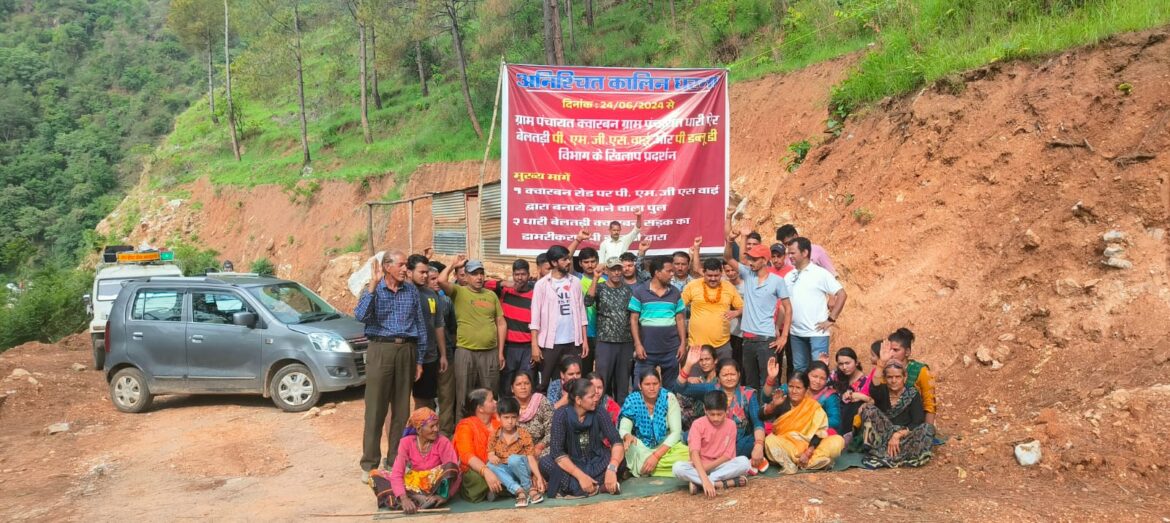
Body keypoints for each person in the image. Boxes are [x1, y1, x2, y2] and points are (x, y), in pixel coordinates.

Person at [355, 251, 430, 476]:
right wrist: (372, 286)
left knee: (401, 410)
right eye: (401, 265)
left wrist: (419, 360)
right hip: (381, 349)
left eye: (407, 265)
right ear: (387, 267)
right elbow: (360, 316)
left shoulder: (411, 291)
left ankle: (395, 461)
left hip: (407, 349)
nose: (405, 269)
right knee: (375, 409)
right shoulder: (374, 290)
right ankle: (369, 464)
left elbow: (420, 325)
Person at [724, 227, 791, 390]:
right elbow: (727, 257)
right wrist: (730, 240)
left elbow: (788, 308)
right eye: (749, 258)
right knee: (750, 384)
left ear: (764, 259)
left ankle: (769, 414)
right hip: (747, 340)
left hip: (766, 340)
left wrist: (783, 336)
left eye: (754, 259)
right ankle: (753, 414)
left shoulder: (777, 281)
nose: (750, 262)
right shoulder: (748, 274)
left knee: (769, 382)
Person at [674, 349, 766, 465]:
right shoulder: (711, 388)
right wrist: (688, 365)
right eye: (725, 375)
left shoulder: (748, 394)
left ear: (739, 375)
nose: (729, 378)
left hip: (737, 442)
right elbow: (680, 388)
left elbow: (758, 422)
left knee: (755, 442)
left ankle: (712, 460)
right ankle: (719, 460)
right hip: (711, 439)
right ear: (718, 377)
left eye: (732, 374)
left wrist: (758, 446)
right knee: (689, 436)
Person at [539, 378, 625, 497]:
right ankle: (598, 486)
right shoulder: (561, 415)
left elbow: (616, 440)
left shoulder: (599, 411)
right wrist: (581, 476)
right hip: (572, 465)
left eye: (596, 395)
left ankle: (581, 489)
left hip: (597, 461)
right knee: (545, 463)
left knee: (620, 459)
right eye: (591, 397)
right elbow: (557, 453)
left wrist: (612, 468)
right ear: (579, 400)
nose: (596, 398)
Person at [530, 245, 589, 392]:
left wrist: (584, 340)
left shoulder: (575, 282)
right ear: (554, 263)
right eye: (564, 260)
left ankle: (568, 413)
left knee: (572, 383)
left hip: (572, 342)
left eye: (568, 258)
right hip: (549, 343)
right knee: (544, 383)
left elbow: (582, 312)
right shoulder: (542, 285)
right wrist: (534, 345)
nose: (568, 262)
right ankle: (544, 413)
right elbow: (535, 316)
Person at [761, 370, 845, 474]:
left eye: (798, 388)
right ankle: (809, 463)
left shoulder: (813, 407)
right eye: (791, 386)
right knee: (770, 440)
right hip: (787, 445)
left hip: (810, 447)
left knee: (838, 441)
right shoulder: (782, 401)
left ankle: (806, 461)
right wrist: (773, 405)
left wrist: (808, 452)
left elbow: (819, 433)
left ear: (806, 390)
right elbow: (760, 416)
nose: (794, 391)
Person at [784, 237, 847, 372]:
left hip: (817, 333)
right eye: (788, 253)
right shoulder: (789, 276)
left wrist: (831, 319)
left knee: (819, 370)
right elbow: (785, 304)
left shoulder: (820, 273)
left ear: (805, 253)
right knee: (800, 370)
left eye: (793, 253)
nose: (789, 257)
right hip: (796, 333)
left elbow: (841, 294)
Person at [856, 361, 935, 468]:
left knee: (928, 428)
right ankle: (884, 453)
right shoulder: (882, 391)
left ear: (905, 377)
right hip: (882, 437)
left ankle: (888, 455)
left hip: (903, 437)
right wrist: (880, 365)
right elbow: (873, 389)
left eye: (898, 377)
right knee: (868, 409)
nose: (894, 381)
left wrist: (898, 435)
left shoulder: (912, 393)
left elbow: (917, 422)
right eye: (889, 377)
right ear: (885, 378)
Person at [673, 390, 752, 496]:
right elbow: (694, 453)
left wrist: (708, 470)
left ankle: (703, 482)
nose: (716, 418)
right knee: (677, 468)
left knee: (745, 462)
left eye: (719, 414)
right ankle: (720, 483)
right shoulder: (697, 424)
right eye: (712, 414)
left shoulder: (731, 425)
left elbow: (728, 455)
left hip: (720, 466)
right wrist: (704, 474)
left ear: (726, 410)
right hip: (699, 466)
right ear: (705, 410)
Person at [386, 408, 460, 514]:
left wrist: (445, 496)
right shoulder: (406, 442)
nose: (436, 429)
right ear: (419, 429)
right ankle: (416, 498)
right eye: (432, 426)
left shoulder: (443, 442)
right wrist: (403, 498)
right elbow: (397, 473)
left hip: (436, 485)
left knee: (452, 466)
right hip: (415, 485)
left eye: (437, 425)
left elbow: (455, 473)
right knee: (376, 475)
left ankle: (425, 499)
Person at [618, 369, 690, 478]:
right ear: (640, 385)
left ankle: (647, 468)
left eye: (655, 384)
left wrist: (656, 456)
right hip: (642, 448)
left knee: (691, 455)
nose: (652, 388)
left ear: (660, 384)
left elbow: (676, 432)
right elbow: (624, 427)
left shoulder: (668, 398)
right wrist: (627, 435)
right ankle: (682, 469)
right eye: (647, 384)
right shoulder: (632, 400)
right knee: (631, 449)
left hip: (667, 446)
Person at [629, 257, 687, 386]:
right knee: (640, 388)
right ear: (657, 273)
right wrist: (637, 345)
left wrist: (683, 343)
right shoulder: (639, 291)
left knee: (670, 390)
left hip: (671, 350)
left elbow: (680, 319)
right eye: (669, 271)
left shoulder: (675, 292)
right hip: (646, 351)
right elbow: (633, 320)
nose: (673, 274)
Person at [587, 257, 635, 404]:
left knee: (622, 384)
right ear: (607, 271)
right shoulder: (600, 287)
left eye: (618, 269)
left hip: (625, 342)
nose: (616, 272)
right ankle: (600, 415)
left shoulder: (628, 290)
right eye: (613, 269)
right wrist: (595, 278)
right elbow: (588, 301)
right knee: (602, 382)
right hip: (605, 342)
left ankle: (622, 420)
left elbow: (633, 315)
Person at [681, 254, 744, 367]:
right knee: (694, 382)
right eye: (709, 275)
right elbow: (679, 306)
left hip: (722, 345)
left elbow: (742, 307)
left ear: (721, 273)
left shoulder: (728, 286)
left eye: (716, 275)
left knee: (724, 380)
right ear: (703, 273)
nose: (713, 279)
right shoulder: (692, 286)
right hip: (697, 346)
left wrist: (736, 312)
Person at [486, 260, 534, 396]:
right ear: (512, 275)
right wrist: (503, 283)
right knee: (506, 383)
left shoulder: (535, 293)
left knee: (526, 382)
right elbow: (483, 285)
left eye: (523, 274)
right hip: (508, 346)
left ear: (529, 275)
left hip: (528, 346)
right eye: (516, 274)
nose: (520, 278)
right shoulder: (505, 291)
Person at [487, 397, 546, 507]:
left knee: (513, 459)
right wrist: (492, 456)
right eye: (506, 417)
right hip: (507, 472)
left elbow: (531, 458)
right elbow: (490, 453)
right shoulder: (494, 435)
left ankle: (529, 488)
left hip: (522, 469)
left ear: (518, 417)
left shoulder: (523, 434)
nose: (510, 421)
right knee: (490, 465)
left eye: (513, 417)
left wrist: (538, 477)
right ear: (498, 417)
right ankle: (518, 490)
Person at [407, 255, 447, 411]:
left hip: (428, 357)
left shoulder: (431, 295)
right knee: (399, 403)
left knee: (425, 401)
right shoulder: (401, 293)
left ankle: (422, 434)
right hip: (407, 355)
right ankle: (400, 436)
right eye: (421, 272)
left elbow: (438, 325)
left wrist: (442, 354)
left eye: (426, 272)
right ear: (409, 272)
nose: (425, 276)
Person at [875, 328, 937, 425]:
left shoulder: (921, 371)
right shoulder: (884, 370)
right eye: (889, 350)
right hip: (886, 423)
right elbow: (876, 393)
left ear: (907, 352)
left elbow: (929, 404)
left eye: (895, 350)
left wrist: (928, 432)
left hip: (913, 422)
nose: (891, 354)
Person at [454, 388, 503, 502]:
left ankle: (494, 489)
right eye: (491, 400)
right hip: (475, 468)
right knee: (476, 480)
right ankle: (498, 489)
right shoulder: (465, 426)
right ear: (480, 408)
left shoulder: (498, 420)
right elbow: (467, 456)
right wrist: (486, 471)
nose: (496, 402)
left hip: (498, 464)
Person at [430, 261, 459, 436]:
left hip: (446, 353)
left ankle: (446, 435)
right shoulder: (419, 299)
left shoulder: (446, 301)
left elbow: (452, 329)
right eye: (431, 279)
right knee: (427, 399)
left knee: (446, 397)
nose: (434, 282)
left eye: (436, 278)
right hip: (426, 355)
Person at [510, 371, 554, 456]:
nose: (523, 387)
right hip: (517, 450)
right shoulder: (509, 406)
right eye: (518, 384)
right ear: (512, 388)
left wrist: (540, 446)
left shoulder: (541, 401)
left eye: (526, 383)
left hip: (541, 448)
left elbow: (552, 430)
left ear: (531, 386)